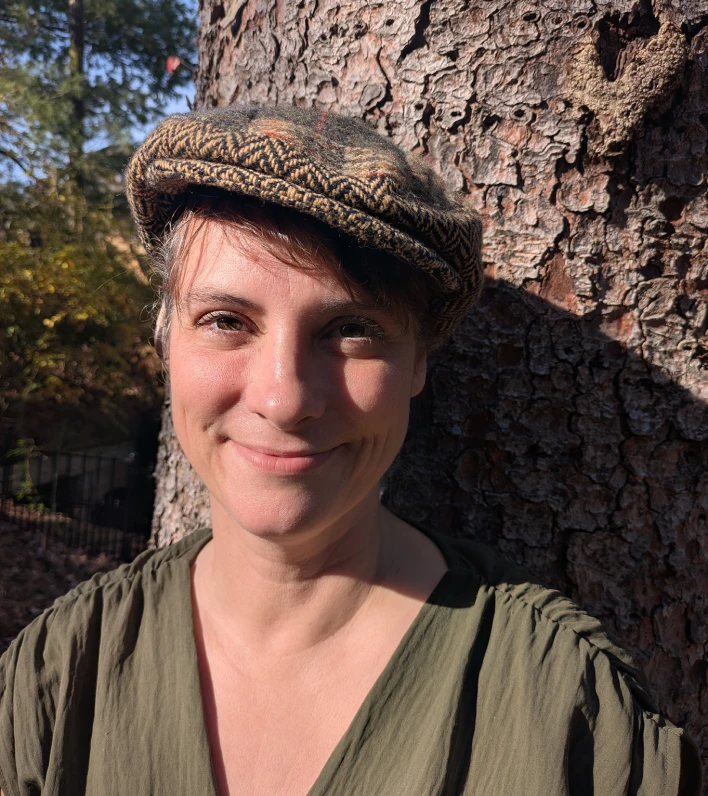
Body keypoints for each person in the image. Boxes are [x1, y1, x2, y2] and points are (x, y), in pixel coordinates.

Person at [0, 105, 701, 796]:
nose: (283, 397)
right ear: (166, 342)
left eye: (352, 329)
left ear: (419, 364)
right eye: (225, 320)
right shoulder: (59, 677)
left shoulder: (564, 712)